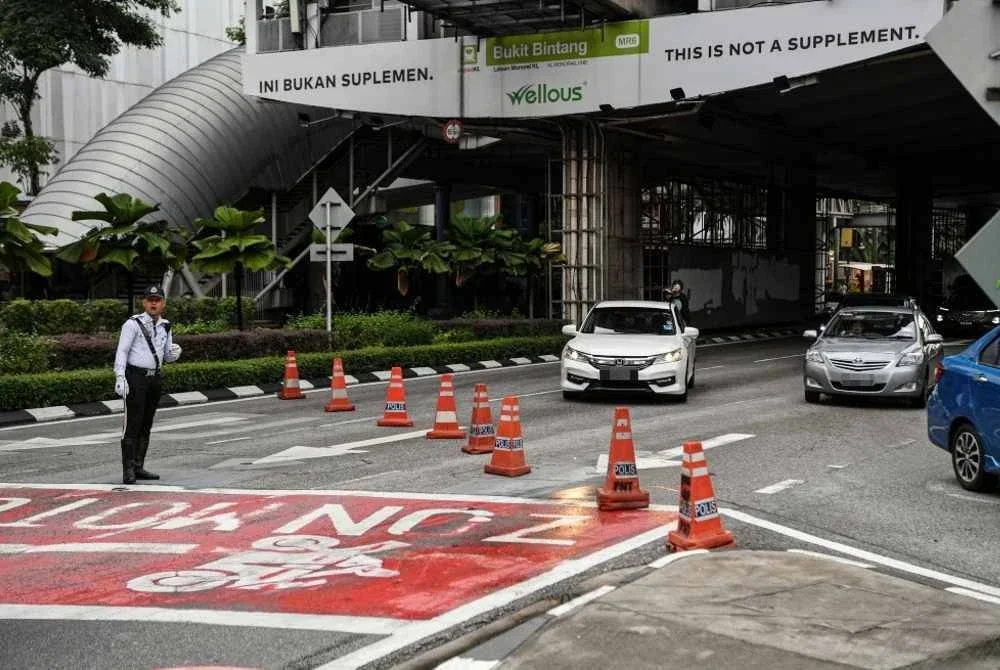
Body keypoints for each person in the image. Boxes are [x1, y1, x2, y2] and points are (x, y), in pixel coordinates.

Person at [113, 285, 182, 485]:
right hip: (135, 377)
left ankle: (138, 465)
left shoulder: (166, 326)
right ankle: (128, 471)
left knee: (146, 423)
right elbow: (122, 351)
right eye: (150, 299)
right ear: (144, 302)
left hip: (154, 378)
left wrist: (174, 354)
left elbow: (166, 355)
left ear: (163, 303)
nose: (154, 303)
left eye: (157, 300)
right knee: (132, 424)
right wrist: (120, 376)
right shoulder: (132, 324)